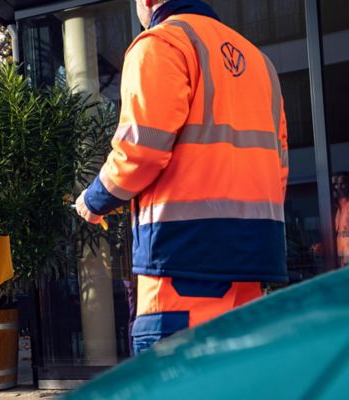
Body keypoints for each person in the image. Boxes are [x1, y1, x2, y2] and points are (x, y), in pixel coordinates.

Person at [74, 0, 289, 354]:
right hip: (252, 256)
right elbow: (278, 166)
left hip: (182, 253)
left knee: (174, 378)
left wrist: (96, 199)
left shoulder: (162, 43)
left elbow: (141, 149)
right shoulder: (260, 63)